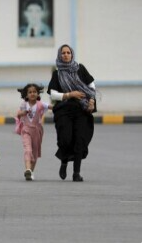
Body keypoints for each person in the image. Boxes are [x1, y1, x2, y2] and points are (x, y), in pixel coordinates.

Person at [47, 44, 96, 182]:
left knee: (79, 140)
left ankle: (76, 173)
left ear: (72, 54)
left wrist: (91, 101)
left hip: (81, 109)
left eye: (68, 52)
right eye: (63, 53)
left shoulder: (80, 69)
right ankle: (63, 162)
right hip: (64, 110)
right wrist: (70, 94)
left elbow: (91, 86)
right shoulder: (57, 74)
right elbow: (53, 94)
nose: (66, 55)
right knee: (65, 139)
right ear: (59, 55)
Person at [15, 83, 52, 181]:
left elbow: (50, 107)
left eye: (34, 92)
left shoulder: (41, 104)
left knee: (35, 153)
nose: (32, 94)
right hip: (26, 130)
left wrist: (62, 105)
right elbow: (18, 114)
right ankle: (27, 169)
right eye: (30, 92)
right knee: (28, 150)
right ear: (26, 95)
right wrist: (22, 113)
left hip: (37, 131)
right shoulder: (24, 104)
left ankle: (31, 172)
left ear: (38, 93)